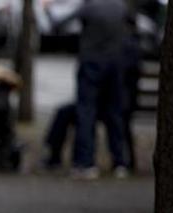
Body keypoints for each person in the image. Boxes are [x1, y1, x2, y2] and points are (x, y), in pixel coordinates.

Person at [45, 0, 131, 179]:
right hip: (114, 64)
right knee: (114, 113)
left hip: (92, 62)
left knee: (86, 112)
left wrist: (48, 9)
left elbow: (58, 24)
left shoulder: (89, 8)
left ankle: (86, 162)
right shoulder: (119, 6)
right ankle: (120, 162)